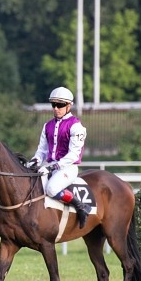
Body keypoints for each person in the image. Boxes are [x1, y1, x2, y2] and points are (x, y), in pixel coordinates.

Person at [25, 86, 90, 228]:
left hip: (68, 168)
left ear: (68, 106)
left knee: (52, 189)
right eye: (53, 104)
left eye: (60, 105)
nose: (56, 108)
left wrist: (55, 166)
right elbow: (42, 151)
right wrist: (34, 161)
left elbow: (73, 154)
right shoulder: (47, 125)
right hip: (50, 166)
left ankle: (80, 206)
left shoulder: (76, 126)